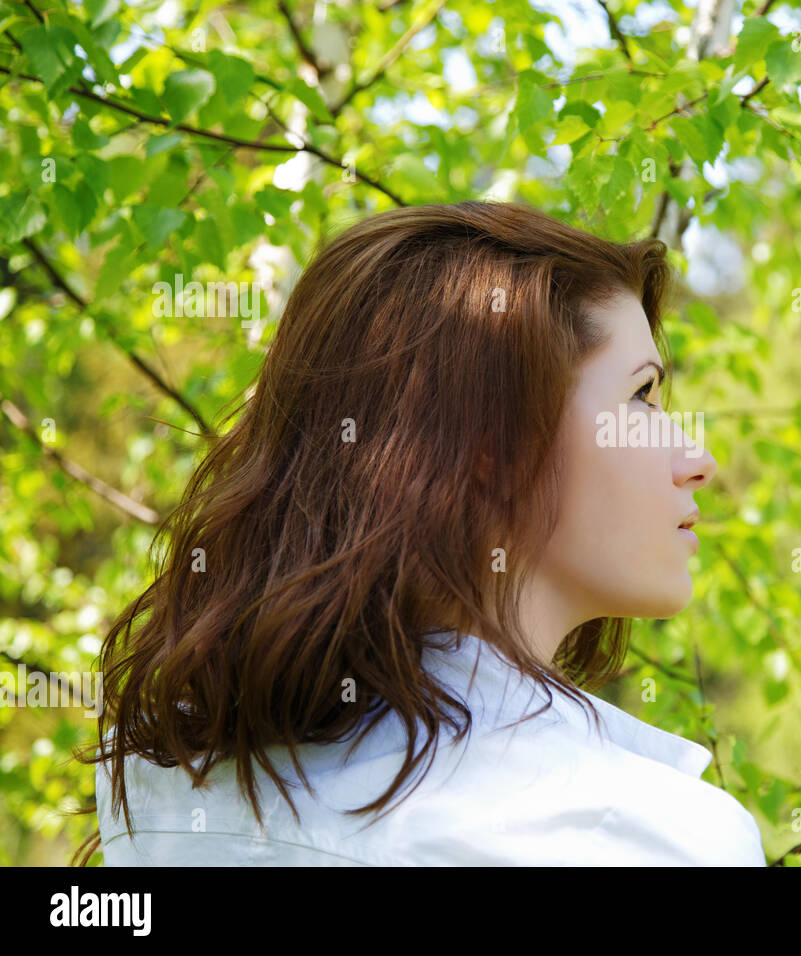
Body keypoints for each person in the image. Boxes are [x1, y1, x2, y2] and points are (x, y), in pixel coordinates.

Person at [72, 201, 765, 866]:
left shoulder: (157, 781)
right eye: (641, 396)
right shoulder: (652, 838)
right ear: (493, 451)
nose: (697, 459)